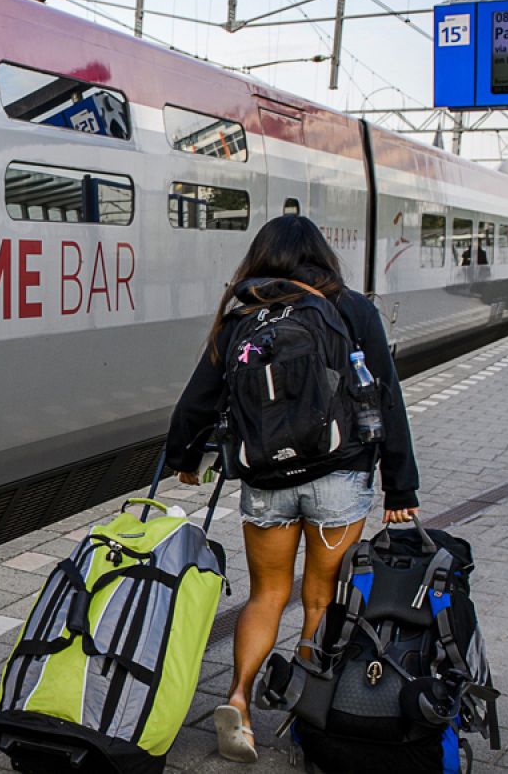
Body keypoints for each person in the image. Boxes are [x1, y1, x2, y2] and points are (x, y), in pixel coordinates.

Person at [163, 215, 420, 764]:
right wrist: (401, 489)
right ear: (322, 255)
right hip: (339, 476)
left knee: (267, 594)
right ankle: (307, 711)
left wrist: (185, 459)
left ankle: (239, 699)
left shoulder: (241, 315)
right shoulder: (351, 309)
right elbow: (386, 398)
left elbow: (196, 400)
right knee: (321, 596)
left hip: (265, 482)